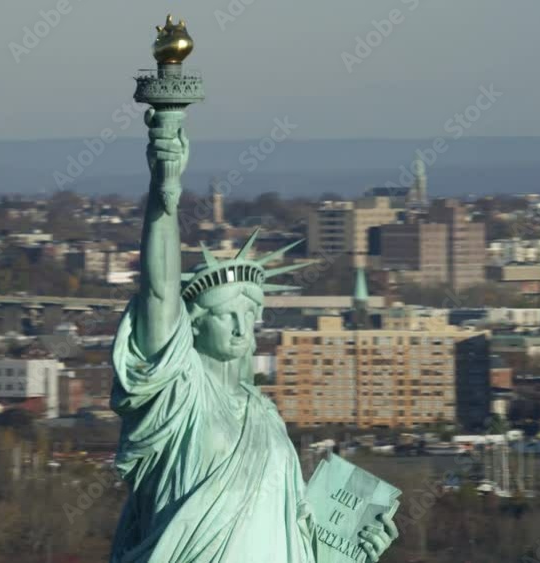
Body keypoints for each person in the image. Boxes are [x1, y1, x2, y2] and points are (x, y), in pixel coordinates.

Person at [108, 108, 397, 563]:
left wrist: (356, 550)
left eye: (251, 314)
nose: (243, 328)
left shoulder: (267, 418)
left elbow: (295, 541)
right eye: (228, 316)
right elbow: (160, 289)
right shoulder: (179, 394)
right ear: (194, 324)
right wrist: (165, 196)